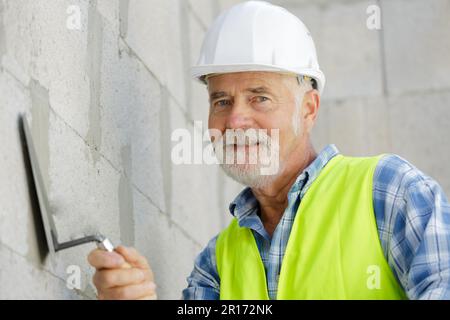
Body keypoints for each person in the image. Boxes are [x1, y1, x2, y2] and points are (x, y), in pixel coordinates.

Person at [88, 1, 450, 299]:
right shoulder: (216, 265)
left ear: (308, 109)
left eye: (259, 98)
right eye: (222, 101)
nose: (236, 121)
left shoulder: (388, 192)